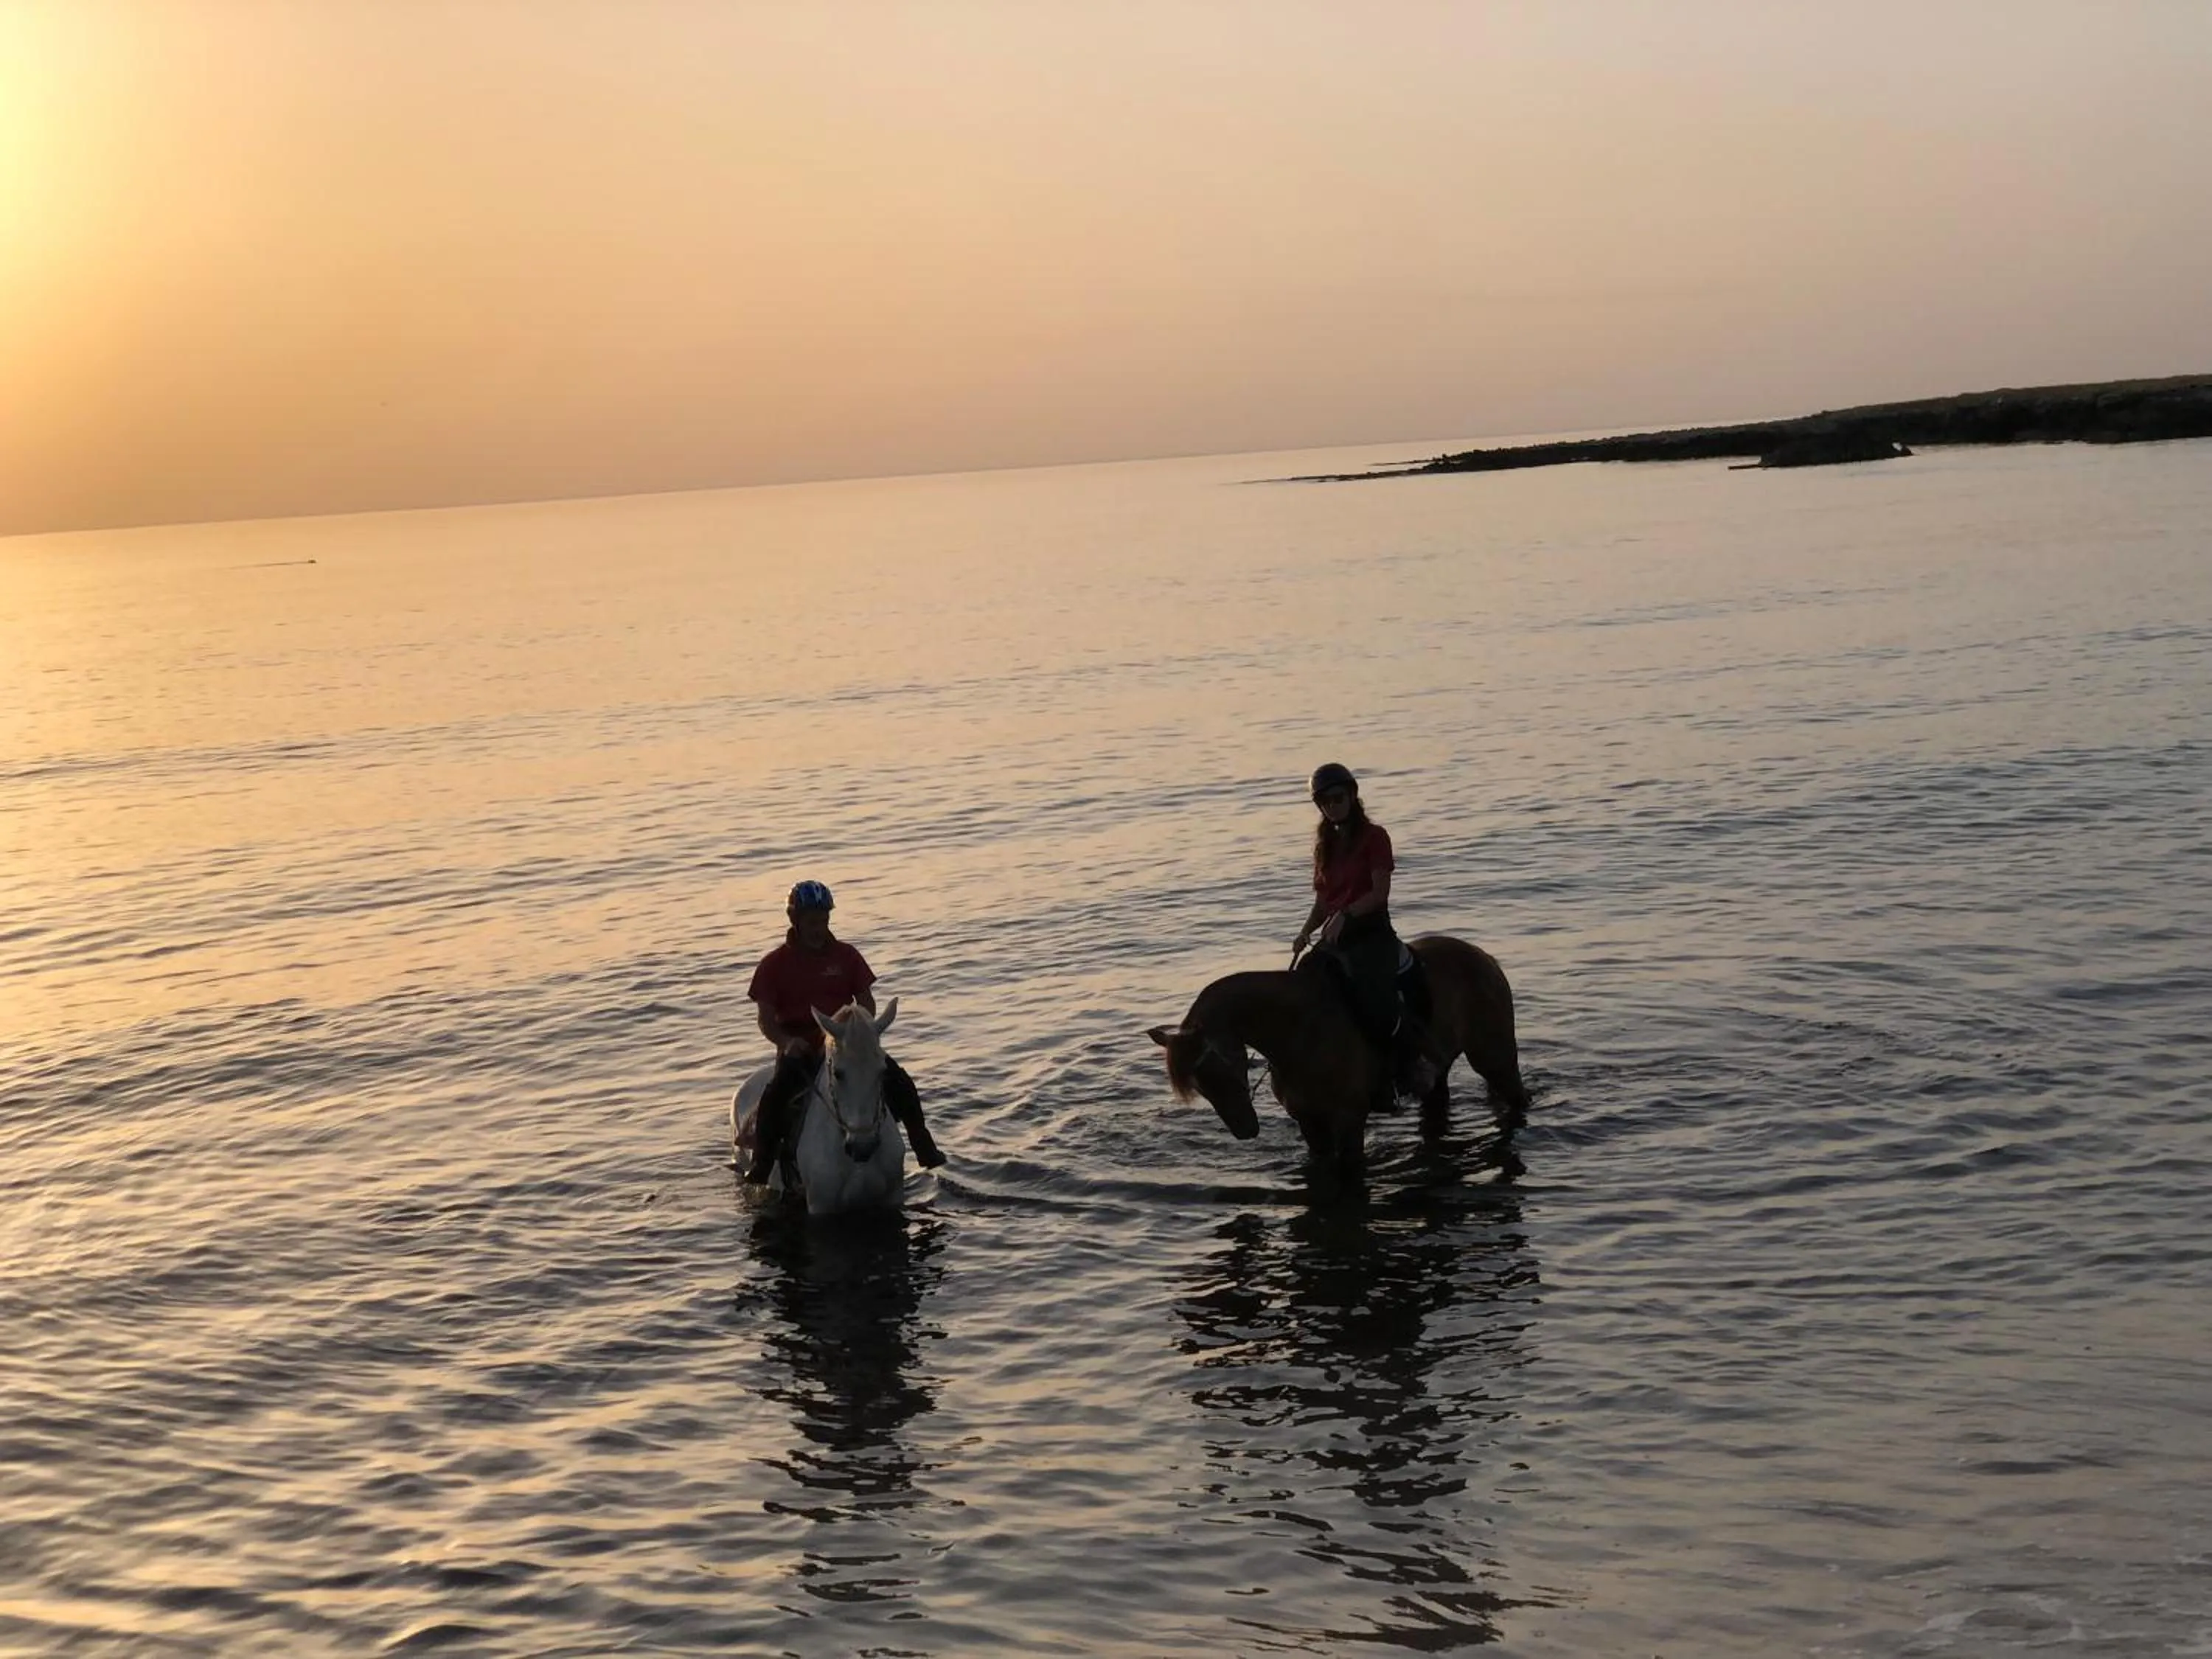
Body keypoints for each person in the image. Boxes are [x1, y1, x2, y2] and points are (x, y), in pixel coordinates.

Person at [744, 880, 943, 1182]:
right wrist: (786, 1042)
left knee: (899, 1080)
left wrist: (858, 1030)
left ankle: (922, 1143)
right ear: (795, 920)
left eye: (824, 921)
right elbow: (766, 1020)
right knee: (776, 1094)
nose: (819, 929)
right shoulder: (773, 965)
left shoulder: (847, 956)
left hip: (846, 1046)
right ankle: (761, 1162)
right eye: (812, 922)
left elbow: (866, 1001)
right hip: (802, 1050)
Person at [1290, 763, 1436, 1098]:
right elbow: (1323, 903)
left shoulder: (1375, 837)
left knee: (1375, 1001)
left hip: (1371, 932)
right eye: (1324, 801)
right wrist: (1304, 932)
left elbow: (1379, 892)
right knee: (1304, 983)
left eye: (1338, 798)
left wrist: (1348, 914)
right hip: (1336, 936)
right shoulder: (1325, 846)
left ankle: (1408, 1064)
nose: (1332, 806)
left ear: (1353, 796)